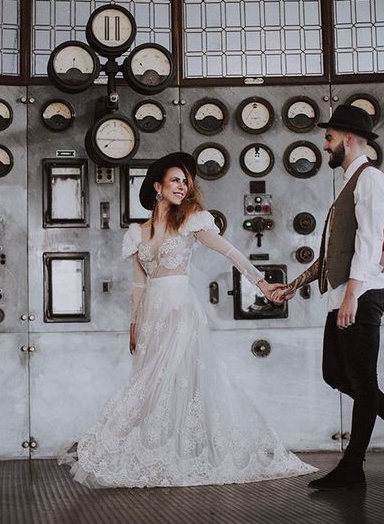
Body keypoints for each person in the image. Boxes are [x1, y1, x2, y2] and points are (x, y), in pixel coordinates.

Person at [62, 152, 316, 487]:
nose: (182, 186)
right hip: (152, 313)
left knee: (173, 378)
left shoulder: (191, 221)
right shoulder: (137, 233)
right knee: (149, 384)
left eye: (185, 181)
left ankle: (178, 453)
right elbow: (138, 286)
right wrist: (133, 326)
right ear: (158, 186)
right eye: (175, 180)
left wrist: (263, 284)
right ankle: (153, 451)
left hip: (181, 309)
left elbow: (231, 252)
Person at [273, 105, 384, 491]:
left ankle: (353, 466)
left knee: (362, 380)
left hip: (361, 292)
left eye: (328, 139)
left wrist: (353, 296)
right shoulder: (350, 183)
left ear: (346, 138)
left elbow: (369, 242)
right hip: (345, 292)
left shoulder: (371, 179)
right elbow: (333, 250)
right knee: (335, 373)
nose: (324, 146)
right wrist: (296, 284)